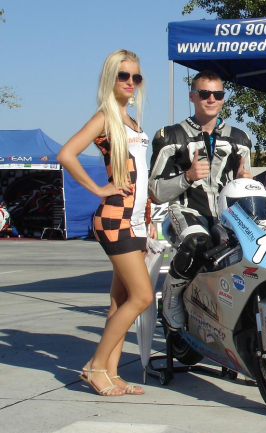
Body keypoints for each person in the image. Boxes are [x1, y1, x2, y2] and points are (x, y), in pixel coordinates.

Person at [58, 49, 155, 396]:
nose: (130, 82)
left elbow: (140, 175)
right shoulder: (105, 117)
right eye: (123, 75)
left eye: (135, 77)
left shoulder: (131, 120)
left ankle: (111, 373)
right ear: (110, 79)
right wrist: (99, 189)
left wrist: (148, 217)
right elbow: (66, 154)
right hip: (116, 218)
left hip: (135, 220)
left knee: (120, 300)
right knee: (142, 297)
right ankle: (96, 366)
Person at [149, 70, 253, 331]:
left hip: (225, 216)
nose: (211, 99)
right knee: (198, 242)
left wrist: (244, 179)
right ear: (192, 96)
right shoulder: (170, 136)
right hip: (185, 211)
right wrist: (187, 177)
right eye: (204, 93)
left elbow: (244, 179)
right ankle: (171, 296)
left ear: (223, 98)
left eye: (217, 94)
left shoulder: (240, 139)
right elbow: (154, 190)